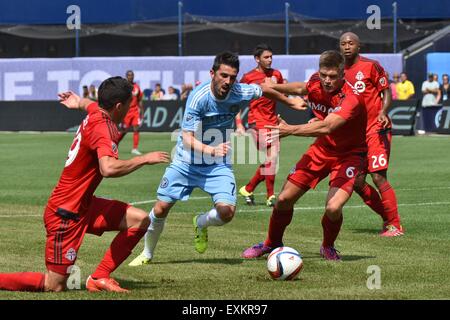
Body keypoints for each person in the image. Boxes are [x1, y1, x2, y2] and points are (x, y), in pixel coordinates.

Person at [128, 51, 306, 266]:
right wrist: (211, 150)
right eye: (223, 75)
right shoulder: (199, 97)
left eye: (232, 77)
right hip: (186, 162)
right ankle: (147, 254)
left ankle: (200, 223)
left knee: (227, 212)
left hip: (216, 165)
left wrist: (290, 103)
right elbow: (186, 138)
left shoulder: (239, 90)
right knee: (160, 209)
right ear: (212, 73)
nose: (228, 81)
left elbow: (265, 89)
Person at [0, 77, 170, 293]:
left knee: (140, 220)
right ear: (119, 106)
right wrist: (144, 159)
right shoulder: (103, 127)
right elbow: (107, 168)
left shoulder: (96, 111)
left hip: (83, 205)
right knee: (55, 285)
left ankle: (99, 277)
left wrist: (77, 101)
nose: (131, 107)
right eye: (129, 103)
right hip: (66, 213)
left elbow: (87, 104)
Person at [242, 50, 367, 261]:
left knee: (333, 207)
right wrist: (273, 86)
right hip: (322, 149)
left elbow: (327, 127)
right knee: (283, 199)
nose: (327, 81)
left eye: (332, 76)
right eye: (323, 75)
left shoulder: (351, 98)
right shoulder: (316, 81)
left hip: (350, 155)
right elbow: (301, 87)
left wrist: (289, 129)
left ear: (342, 74)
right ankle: (271, 243)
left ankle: (328, 246)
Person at [340, 32, 403, 237]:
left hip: (376, 127)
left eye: (351, 43)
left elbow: (386, 90)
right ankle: (387, 219)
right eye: (343, 44)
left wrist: (383, 112)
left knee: (378, 176)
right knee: (357, 181)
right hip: (355, 134)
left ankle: (395, 226)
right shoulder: (339, 72)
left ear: (359, 46)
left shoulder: (371, 65)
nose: (347, 46)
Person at [237, 43, 285, 207]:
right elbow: (236, 101)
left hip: (272, 121)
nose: (270, 60)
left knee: (272, 159)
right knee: (272, 158)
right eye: (266, 57)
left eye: (271, 56)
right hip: (256, 122)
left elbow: (280, 94)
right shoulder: (248, 77)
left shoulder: (276, 74)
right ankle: (270, 196)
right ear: (257, 59)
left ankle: (248, 188)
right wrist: (239, 123)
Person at [118, 70, 145, 155]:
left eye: (132, 75)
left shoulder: (136, 86)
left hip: (135, 110)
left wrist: (142, 112)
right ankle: (114, 144)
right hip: (126, 111)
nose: (131, 76)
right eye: (129, 75)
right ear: (126, 76)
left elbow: (139, 99)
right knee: (124, 131)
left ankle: (135, 148)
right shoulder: (123, 87)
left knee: (136, 128)